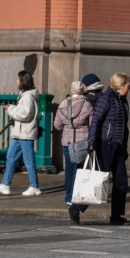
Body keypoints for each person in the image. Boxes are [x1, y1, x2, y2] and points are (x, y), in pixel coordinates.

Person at [88, 72, 130, 225]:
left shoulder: (122, 100)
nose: (129, 87)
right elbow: (96, 121)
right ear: (120, 86)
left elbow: (124, 127)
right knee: (99, 181)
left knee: (121, 182)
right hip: (106, 144)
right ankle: (76, 207)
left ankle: (117, 216)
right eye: (127, 85)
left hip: (118, 146)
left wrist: (124, 146)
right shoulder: (106, 98)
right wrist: (92, 141)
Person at [0, 70, 41, 196]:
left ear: (23, 80)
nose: (16, 81)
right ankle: (5, 185)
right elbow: (24, 112)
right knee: (10, 157)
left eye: (18, 79)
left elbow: (25, 114)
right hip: (20, 133)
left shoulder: (28, 96)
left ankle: (34, 186)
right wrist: (12, 108)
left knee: (28, 160)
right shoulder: (25, 95)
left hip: (25, 133)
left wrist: (11, 109)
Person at [53, 80, 93, 224]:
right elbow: (91, 123)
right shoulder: (87, 105)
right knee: (81, 170)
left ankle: (69, 197)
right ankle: (78, 197)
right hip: (82, 143)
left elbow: (57, 125)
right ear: (82, 90)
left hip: (67, 142)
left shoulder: (63, 105)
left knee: (69, 169)